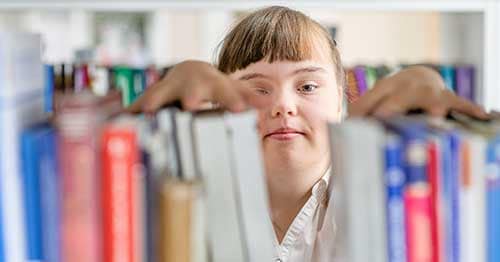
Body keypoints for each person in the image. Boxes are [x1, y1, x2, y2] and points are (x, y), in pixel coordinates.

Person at [128, 6, 488, 262]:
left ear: (342, 102)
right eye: (258, 89)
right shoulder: (188, 200)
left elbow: (417, 86)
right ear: (220, 107)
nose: (283, 106)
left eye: (308, 86)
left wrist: (423, 79)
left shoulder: (380, 191)